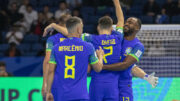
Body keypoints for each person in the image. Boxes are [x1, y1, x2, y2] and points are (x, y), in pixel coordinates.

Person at [46, 17, 104, 101]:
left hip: (63, 96)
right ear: (79, 29)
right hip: (81, 95)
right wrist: (100, 56)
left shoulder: (56, 48)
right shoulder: (88, 46)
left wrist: (48, 91)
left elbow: (51, 71)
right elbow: (98, 69)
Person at [41, 14, 71, 100]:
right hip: (74, 81)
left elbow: (47, 61)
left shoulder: (52, 39)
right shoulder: (78, 38)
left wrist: (45, 83)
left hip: (56, 81)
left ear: (59, 25)